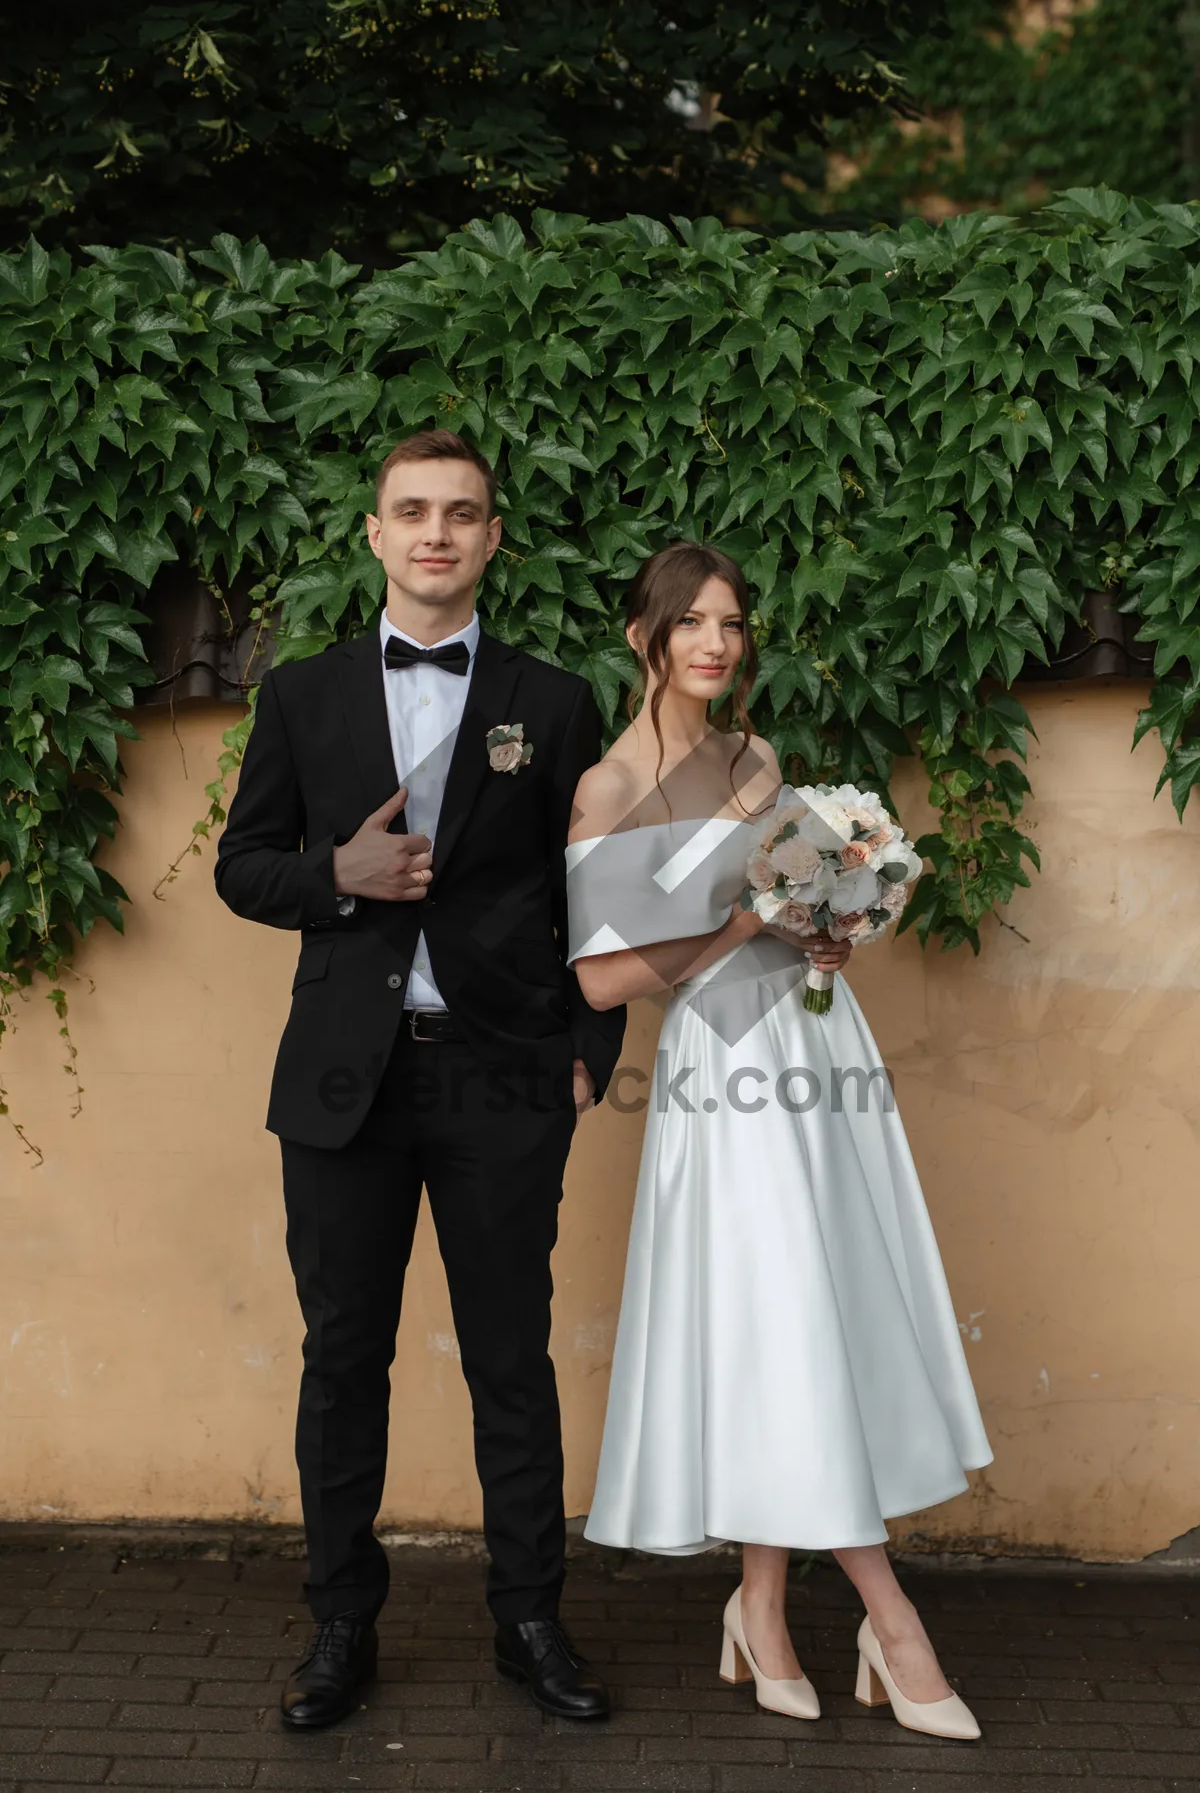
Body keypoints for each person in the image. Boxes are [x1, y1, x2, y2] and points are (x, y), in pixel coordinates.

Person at [213, 428, 626, 1730]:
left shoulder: (554, 703)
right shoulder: (303, 696)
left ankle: (530, 1620)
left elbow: (596, 894)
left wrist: (587, 1054)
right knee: (345, 1358)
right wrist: (333, 876)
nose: (436, 531)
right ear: (376, 534)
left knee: (510, 1356)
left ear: (492, 538)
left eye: (461, 512)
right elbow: (241, 865)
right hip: (346, 1085)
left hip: (505, 1081)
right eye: (412, 511)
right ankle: (340, 1626)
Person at [565, 540, 993, 1742]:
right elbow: (602, 984)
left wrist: (820, 932)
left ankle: (760, 1606)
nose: (716, 643)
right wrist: (744, 923)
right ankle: (890, 1617)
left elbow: (787, 912)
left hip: (817, 1041)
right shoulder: (604, 789)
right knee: (786, 1313)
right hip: (722, 1067)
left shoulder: (758, 757)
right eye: (691, 622)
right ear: (644, 636)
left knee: (809, 1316)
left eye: (734, 625)